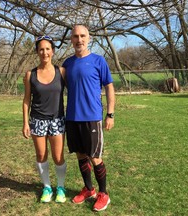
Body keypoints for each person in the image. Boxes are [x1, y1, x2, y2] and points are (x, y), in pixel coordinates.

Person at [62, 24, 115, 211]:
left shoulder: (98, 61)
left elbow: (109, 87)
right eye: (75, 36)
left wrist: (110, 114)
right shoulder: (67, 64)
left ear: (89, 38)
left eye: (82, 36)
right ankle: (89, 189)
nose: (79, 40)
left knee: (95, 157)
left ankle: (103, 193)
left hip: (92, 118)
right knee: (80, 155)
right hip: (72, 118)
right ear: (71, 40)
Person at [22, 35, 67, 203]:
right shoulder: (30, 74)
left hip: (57, 120)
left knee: (58, 156)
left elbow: (75, 90)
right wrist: (26, 122)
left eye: (48, 48)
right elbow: (27, 100)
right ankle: (47, 187)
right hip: (37, 120)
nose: (45, 52)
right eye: (41, 49)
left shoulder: (61, 72)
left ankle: (60, 187)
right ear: (37, 52)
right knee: (41, 155)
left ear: (53, 51)